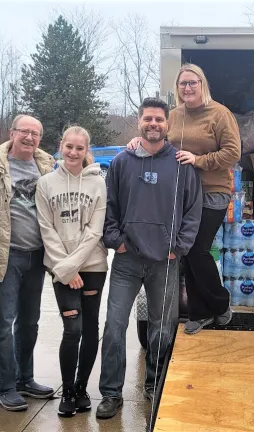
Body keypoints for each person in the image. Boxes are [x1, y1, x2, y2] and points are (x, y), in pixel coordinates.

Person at [96, 97, 203, 419]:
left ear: (167, 124)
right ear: (138, 122)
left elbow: (192, 211)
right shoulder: (121, 162)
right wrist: (117, 241)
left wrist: (178, 247)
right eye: (147, 119)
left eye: (159, 119)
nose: (153, 124)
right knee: (114, 326)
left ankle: (154, 384)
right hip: (127, 262)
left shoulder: (182, 165)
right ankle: (111, 393)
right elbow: (109, 206)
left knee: (163, 327)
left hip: (166, 261)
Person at [127, 63, 242, 334]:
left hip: (212, 192)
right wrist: (137, 142)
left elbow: (233, 153)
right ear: (177, 89)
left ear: (202, 84)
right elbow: (156, 138)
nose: (188, 88)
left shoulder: (219, 114)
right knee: (185, 253)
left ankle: (218, 305)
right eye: (183, 84)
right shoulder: (175, 115)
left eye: (193, 82)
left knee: (196, 249)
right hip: (179, 193)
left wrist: (198, 160)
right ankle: (203, 310)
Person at [0, 114, 56, 411]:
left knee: (29, 322)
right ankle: (5, 386)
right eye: (24, 132)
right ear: (12, 133)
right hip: (5, 257)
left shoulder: (46, 164)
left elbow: (80, 167)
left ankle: (25, 379)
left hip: (36, 256)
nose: (30, 138)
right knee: (2, 324)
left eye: (35, 133)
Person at [35, 126, 108, 417]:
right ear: (61, 146)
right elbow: (46, 230)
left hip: (92, 267)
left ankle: (81, 387)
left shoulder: (98, 183)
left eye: (80, 148)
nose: (74, 153)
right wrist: (65, 269)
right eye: (69, 147)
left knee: (90, 329)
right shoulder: (46, 183)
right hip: (60, 267)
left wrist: (72, 266)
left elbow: (95, 231)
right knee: (72, 329)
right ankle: (67, 389)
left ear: (86, 150)